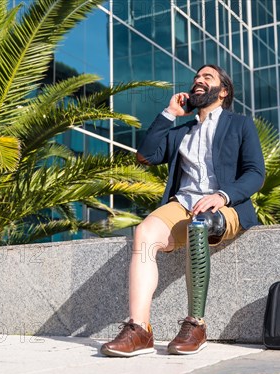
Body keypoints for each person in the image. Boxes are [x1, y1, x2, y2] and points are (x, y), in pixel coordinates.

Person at [100, 65, 265, 357]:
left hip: (225, 206)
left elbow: (255, 173)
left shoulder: (240, 124)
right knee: (145, 232)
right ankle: (140, 329)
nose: (198, 81)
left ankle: (196, 324)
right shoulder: (181, 132)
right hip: (182, 204)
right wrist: (169, 114)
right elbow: (146, 155)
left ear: (223, 91)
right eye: (196, 78)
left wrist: (222, 196)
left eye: (207, 77)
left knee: (200, 224)